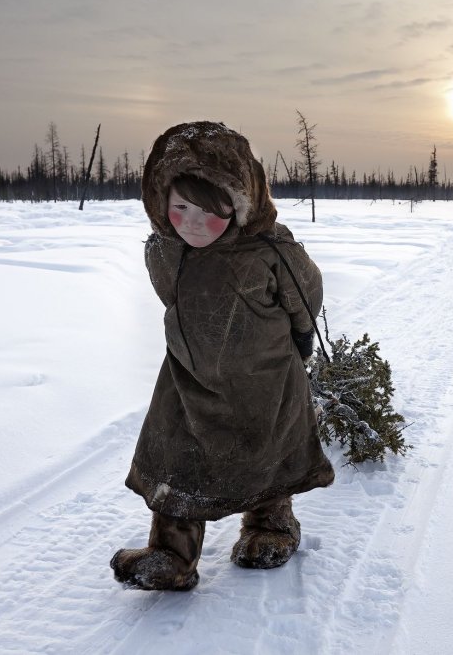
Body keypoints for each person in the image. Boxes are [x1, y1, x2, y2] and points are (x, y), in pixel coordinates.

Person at [110, 121, 334, 591]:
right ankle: (172, 556)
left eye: (211, 211)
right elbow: (176, 302)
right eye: (180, 208)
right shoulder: (166, 251)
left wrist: (298, 344)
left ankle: (270, 527)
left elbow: (305, 299)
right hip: (189, 381)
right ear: (161, 202)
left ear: (241, 203)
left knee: (265, 456)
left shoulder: (271, 251)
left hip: (264, 379)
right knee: (179, 460)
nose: (192, 223)